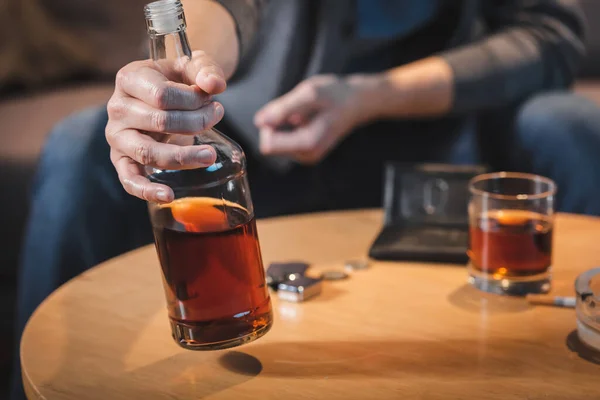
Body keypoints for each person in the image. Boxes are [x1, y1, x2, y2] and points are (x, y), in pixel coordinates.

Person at [11, 0, 600, 398]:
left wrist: (371, 96)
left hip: (437, 144)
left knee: (570, 126)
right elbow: (228, 7)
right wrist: (182, 77)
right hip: (254, 139)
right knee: (73, 148)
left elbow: (551, 35)